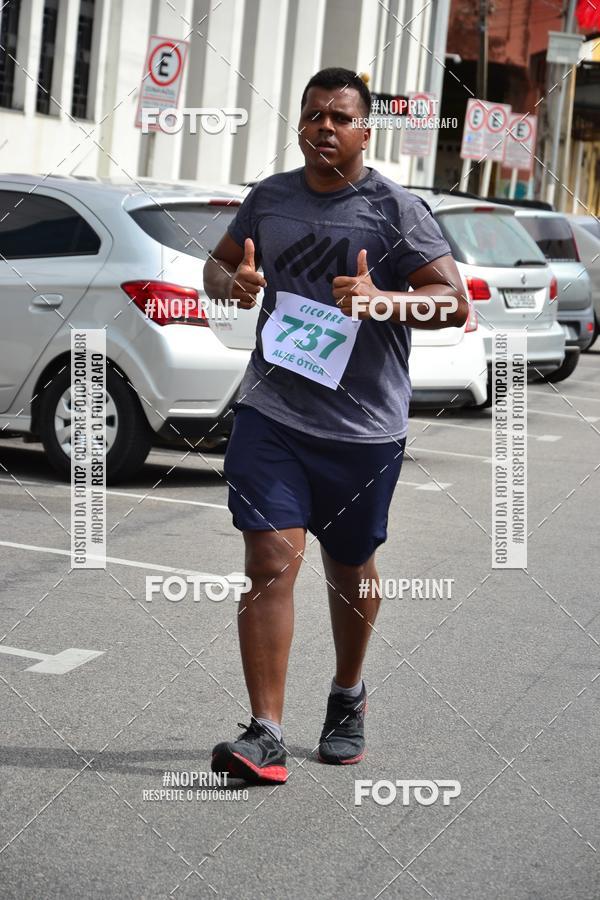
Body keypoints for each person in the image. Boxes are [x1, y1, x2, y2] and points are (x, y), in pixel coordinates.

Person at [203, 67, 467, 784]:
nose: (325, 126)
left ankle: (347, 693)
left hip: (362, 429)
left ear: (364, 132)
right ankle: (266, 734)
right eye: (313, 114)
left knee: (349, 570)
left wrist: (384, 300)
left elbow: (454, 303)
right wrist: (236, 285)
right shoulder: (270, 199)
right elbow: (216, 270)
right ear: (299, 124)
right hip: (273, 412)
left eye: (339, 117)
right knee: (268, 560)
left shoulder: (394, 209)